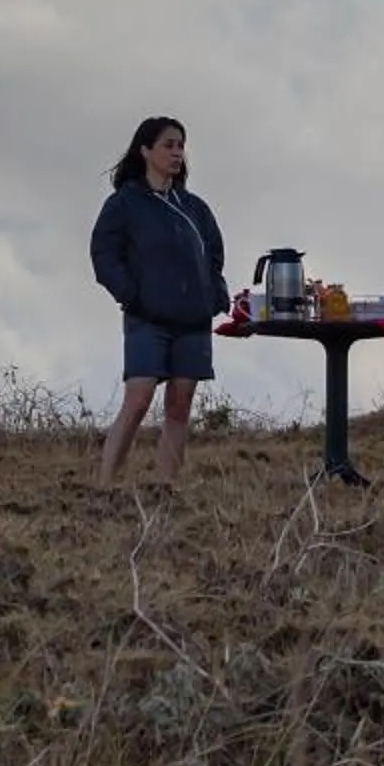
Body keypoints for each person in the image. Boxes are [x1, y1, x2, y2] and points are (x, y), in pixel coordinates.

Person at [88, 116, 230, 488]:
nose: (177, 152)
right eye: (168, 145)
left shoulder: (195, 207)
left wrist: (215, 294)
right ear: (145, 150)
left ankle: (166, 489)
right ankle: (104, 487)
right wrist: (132, 295)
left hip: (193, 319)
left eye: (181, 145)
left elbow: (214, 254)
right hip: (147, 318)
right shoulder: (125, 204)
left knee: (180, 404)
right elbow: (103, 254)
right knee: (138, 400)